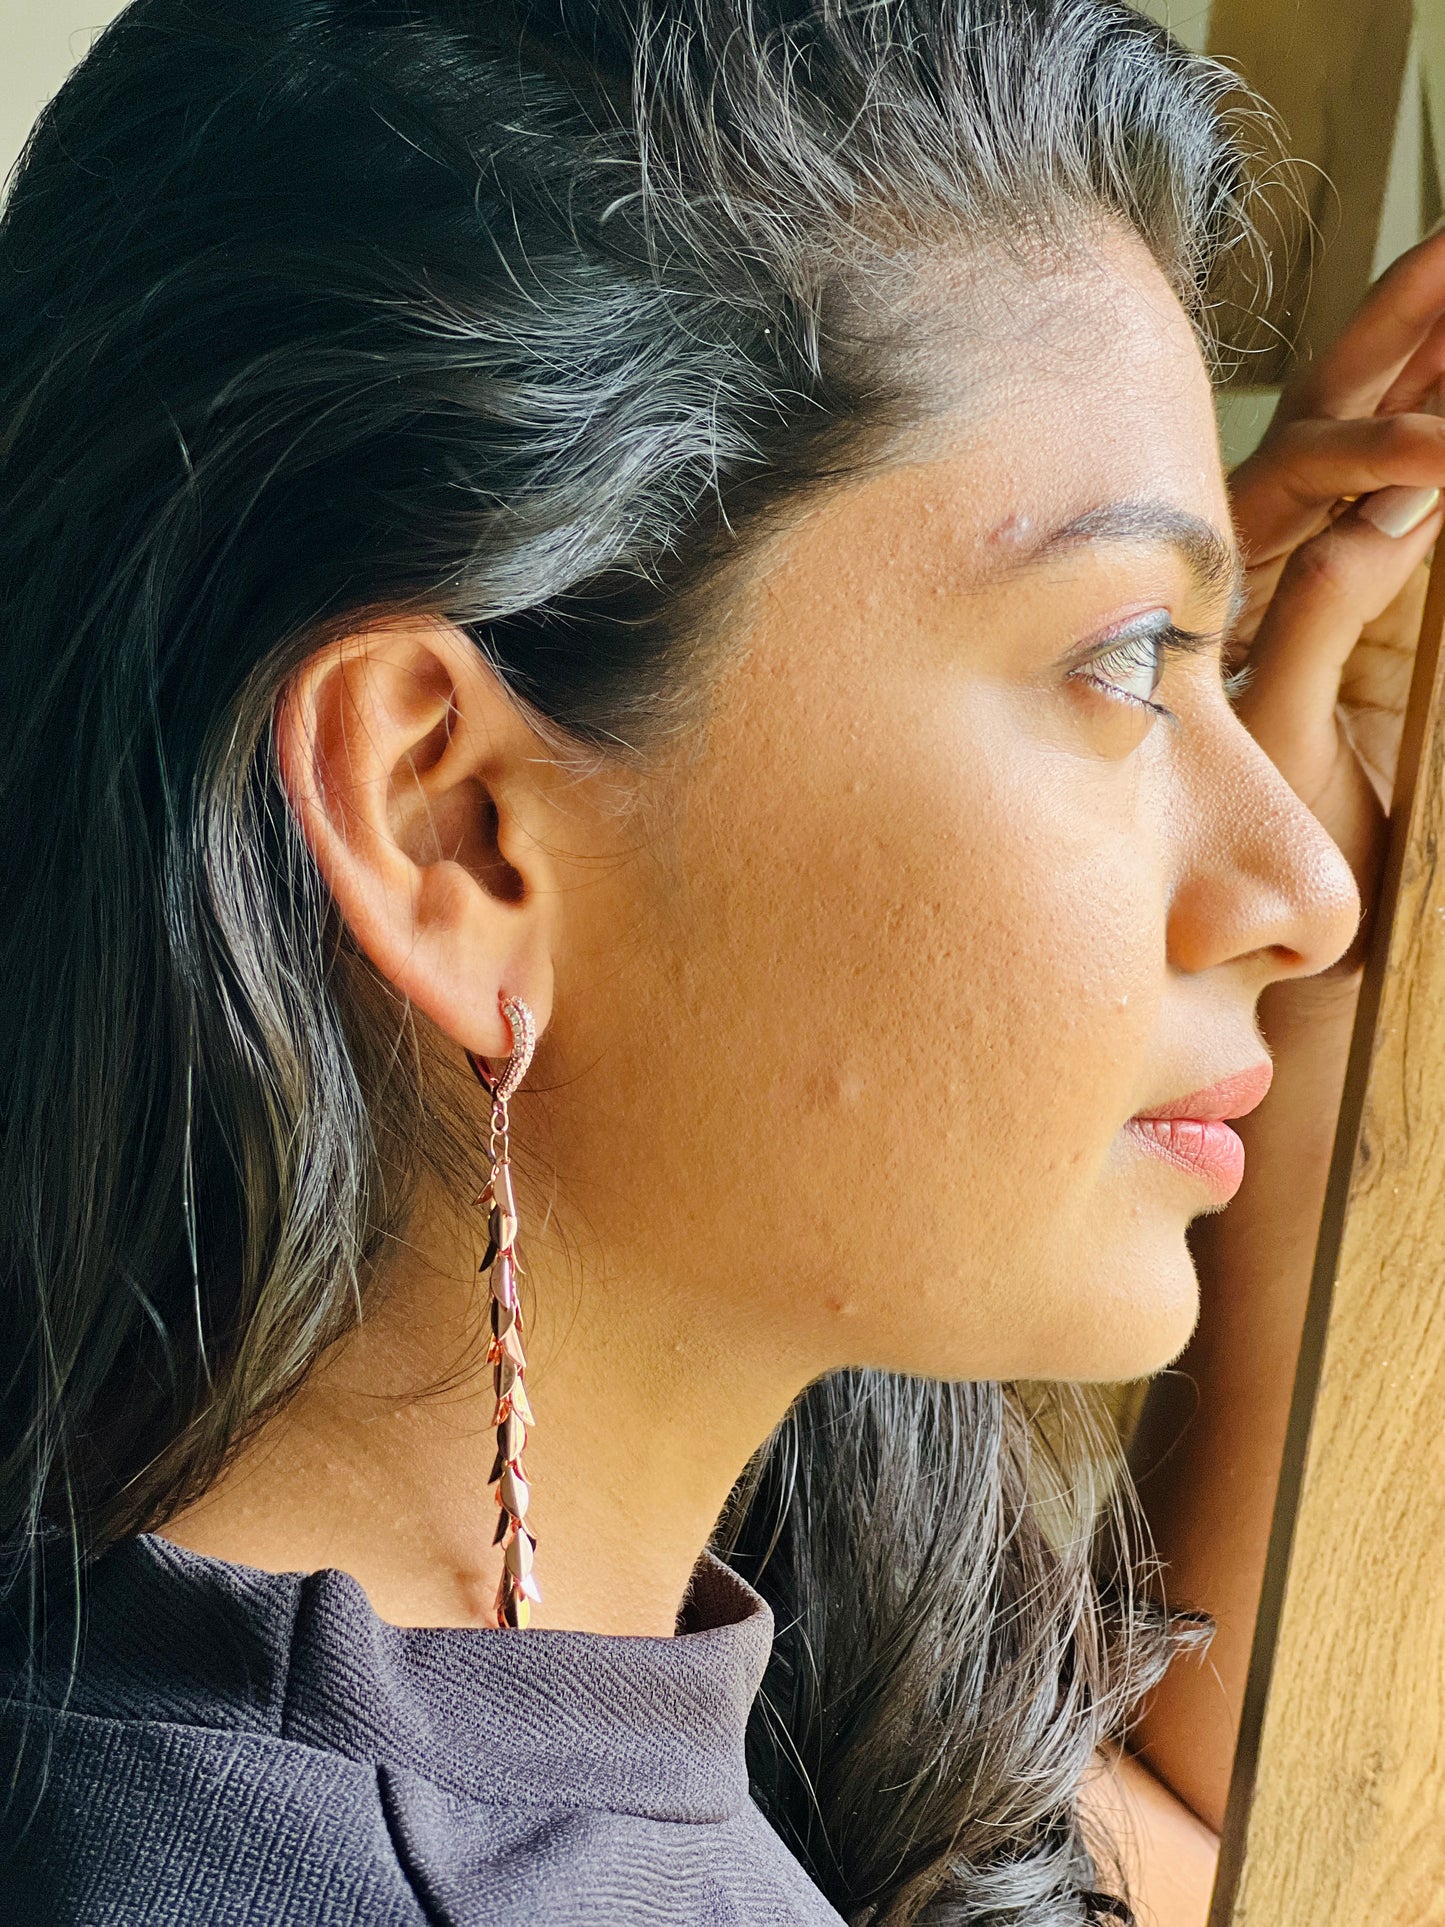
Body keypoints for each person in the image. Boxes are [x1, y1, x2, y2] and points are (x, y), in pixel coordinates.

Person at [2, 1, 1442, 1921]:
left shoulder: (318, 1692)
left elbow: (1183, 1856)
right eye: (1114, 662)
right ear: (454, 818)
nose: (1297, 895)